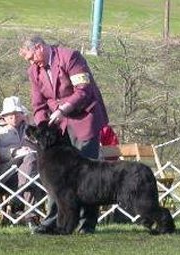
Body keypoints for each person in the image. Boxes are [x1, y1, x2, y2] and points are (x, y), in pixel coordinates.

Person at [19, 36, 109, 234]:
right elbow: (38, 103)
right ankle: (54, 223)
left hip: (83, 120)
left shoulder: (71, 57)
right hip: (58, 128)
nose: (31, 62)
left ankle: (87, 225)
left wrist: (63, 110)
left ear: (39, 48)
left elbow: (84, 90)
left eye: (31, 57)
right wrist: (42, 124)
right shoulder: (34, 71)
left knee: (88, 176)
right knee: (56, 177)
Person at [0, 96, 44, 226]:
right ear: (3, 115)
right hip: (6, 171)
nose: (13, 117)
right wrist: (14, 152)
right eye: (10, 115)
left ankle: (31, 218)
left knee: (32, 173)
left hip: (27, 172)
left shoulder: (30, 129)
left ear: (22, 114)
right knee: (29, 163)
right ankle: (20, 193)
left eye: (17, 114)